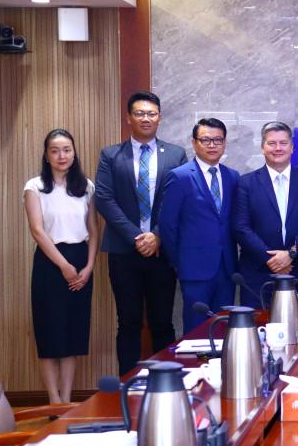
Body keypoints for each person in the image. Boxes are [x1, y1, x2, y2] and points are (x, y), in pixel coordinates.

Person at [95, 91, 187, 375]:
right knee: (128, 322)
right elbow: (104, 199)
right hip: (124, 251)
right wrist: (137, 236)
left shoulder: (176, 154)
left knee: (162, 322)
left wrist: (157, 235)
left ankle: (167, 384)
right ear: (128, 118)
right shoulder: (111, 155)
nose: (146, 118)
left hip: (162, 251)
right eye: (139, 113)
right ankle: (127, 385)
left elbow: (178, 201)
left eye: (151, 113)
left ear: (159, 117)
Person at [23, 129, 99, 403]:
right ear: (46, 155)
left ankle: (66, 402)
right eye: (54, 151)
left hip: (81, 260)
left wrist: (89, 266)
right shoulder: (34, 187)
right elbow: (37, 230)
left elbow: (94, 229)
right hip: (50, 262)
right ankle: (53, 402)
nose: (61, 156)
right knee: (50, 335)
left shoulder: (86, 186)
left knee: (72, 335)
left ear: (74, 153)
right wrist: (64, 266)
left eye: (67, 150)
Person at [158, 118, 239, 332]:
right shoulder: (180, 177)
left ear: (224, 143)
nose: (212, 145)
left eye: (217, 140)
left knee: (225, 331)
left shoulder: (232, 177)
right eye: (205, 140)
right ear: (194, 143)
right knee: (196, 332)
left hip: (227, 268)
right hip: (194, 269)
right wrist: (179, 262)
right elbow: (168, 225)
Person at [233, 121, 298, 306]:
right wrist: (271, 259)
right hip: (258, 273)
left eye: (283, 143)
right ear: (262, 148)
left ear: (292, 148)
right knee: (259, 322)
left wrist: (291, 254)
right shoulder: (246, 183)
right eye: (272, 143)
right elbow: (240, 227)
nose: (278, 148)